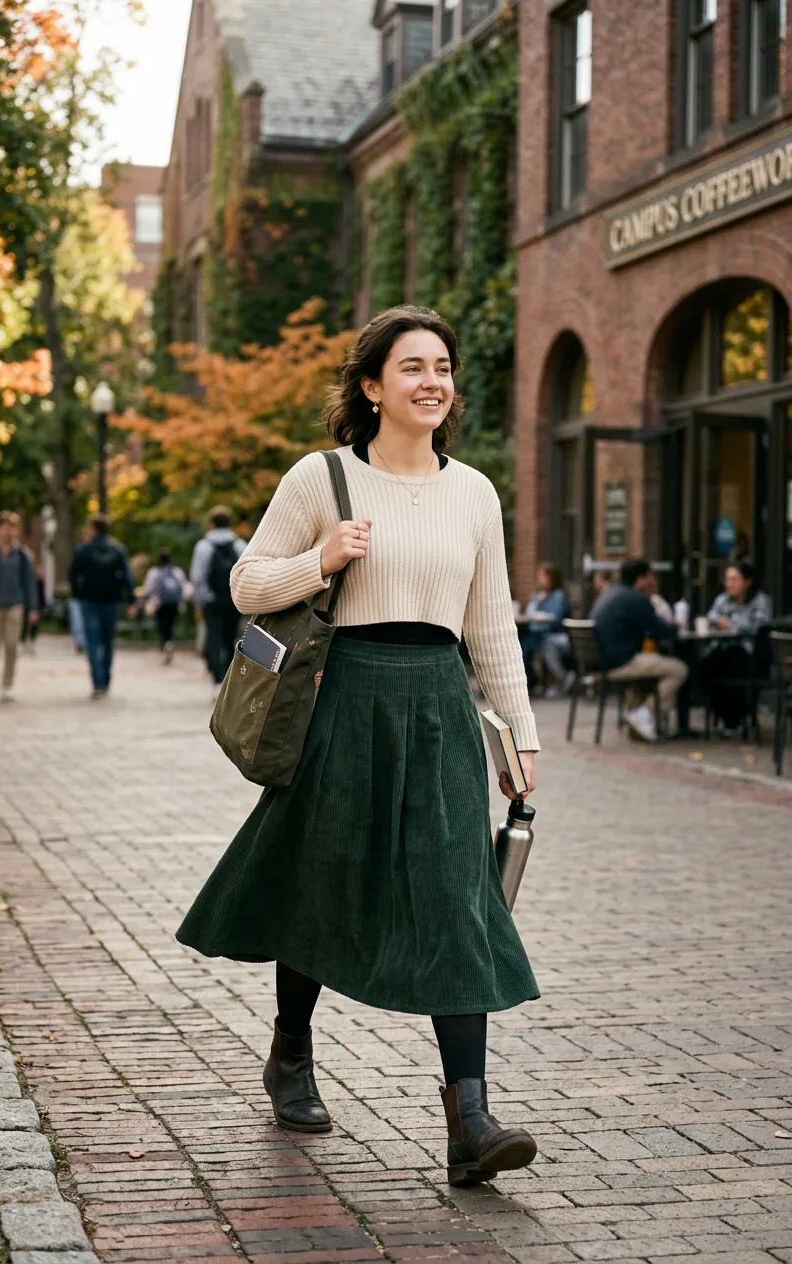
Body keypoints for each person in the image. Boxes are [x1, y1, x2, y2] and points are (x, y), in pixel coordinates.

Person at [177, 306, 541, 1188]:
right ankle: (291, 1057)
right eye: (411, 367)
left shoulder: (475, 493)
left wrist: (519, 737)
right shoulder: (323, 478)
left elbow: (491, 622)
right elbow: (245, 583)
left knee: (460, 898)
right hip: (340, 700)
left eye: (443, 367)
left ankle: (471, 1118)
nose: (432, 381)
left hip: (439, 706)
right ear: (372, 386)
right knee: (321, 877)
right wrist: (323, 559)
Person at [590, 557, 688, 742]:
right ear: (641, 578)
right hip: (618, 662)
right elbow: (663, 631)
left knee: (651, 670)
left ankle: (640, 718)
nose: (651, 581)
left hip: (596, 661)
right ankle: (644, 713)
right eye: (649, 576)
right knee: (678, 669)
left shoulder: (609, 593)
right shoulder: (636, 599)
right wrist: (678, 626)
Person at [698, 561, 774, 734]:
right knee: (703, 665)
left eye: (735, 579)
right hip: (724, 649)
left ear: (748, 582)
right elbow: (712, 616)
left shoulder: (760, 600)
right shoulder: (723, 599)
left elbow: (758, 627)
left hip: (751, 653)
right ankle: (725, 716)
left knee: (727, 666)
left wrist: (731, 624)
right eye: (727, 579)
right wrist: (719, 622)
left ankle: (735, 718)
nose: (729, 584)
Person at [68, 514, 136, 698]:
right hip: (111, 600)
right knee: (108, 641)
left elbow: (73, 574)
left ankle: (97, 681)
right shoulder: (117, 549)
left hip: (90, 600)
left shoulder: (84, 550)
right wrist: (130, 600)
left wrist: (78, 594)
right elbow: (127, 576)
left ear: (93, 529)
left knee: (92, 641)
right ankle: (105, 679)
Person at [0, 511, 39, 701]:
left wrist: (33, 608)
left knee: (12, 645)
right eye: (4, 526)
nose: (8, 530)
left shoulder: (21, 555)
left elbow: (28, 582)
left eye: (12, 526)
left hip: (15, 604)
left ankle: (7, 684)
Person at [190, 508, 246, 698]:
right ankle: (230, 680)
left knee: (213, 640)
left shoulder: (203, 546)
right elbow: (245, 573)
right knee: (230, 639)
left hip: (211, 601)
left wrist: (199, 602)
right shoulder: (239, 545)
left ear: (212, 523)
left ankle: (217, 681)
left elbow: (198, 577)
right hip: (233, 600)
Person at [520, 562, 572, 694]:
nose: (539, 580)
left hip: (557, 634)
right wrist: (536, 600)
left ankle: (563, 678)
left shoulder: (558, 596)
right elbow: (529, 613)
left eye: (543, 576)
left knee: (542, 644)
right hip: (539, 634)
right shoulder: (539, 596)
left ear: (552, 578)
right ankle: (531, 680)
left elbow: (554, 619)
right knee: (522, 643)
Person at [141, 550, 190, 664]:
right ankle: (169, 642)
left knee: (162, 626)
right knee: (170, 625)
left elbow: (148, 589)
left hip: (159, 604)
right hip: (174, 604)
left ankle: (165, 644)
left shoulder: (154, 572)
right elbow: (185, 588)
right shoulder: (177, 571)